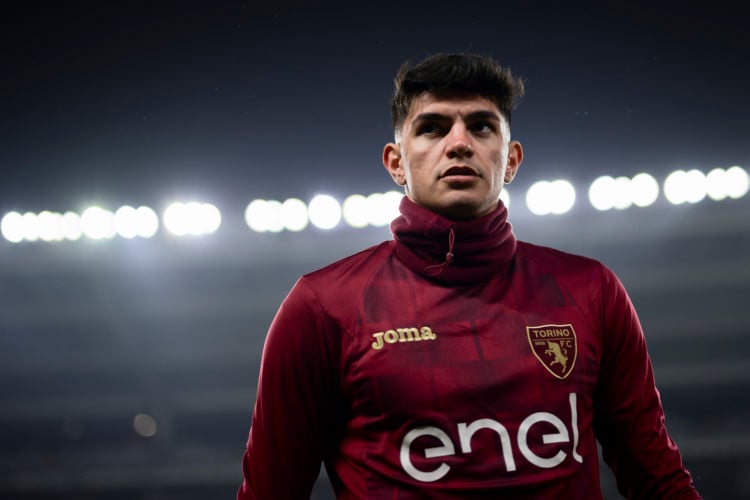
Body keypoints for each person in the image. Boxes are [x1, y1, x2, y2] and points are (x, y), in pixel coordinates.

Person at [237, 53, 700, 499]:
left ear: (512, 160)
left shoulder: (590, 290)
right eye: (432, 128)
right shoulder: (322, 307)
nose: (458, 143)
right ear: (396, 162)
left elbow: (658, 481)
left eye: (481, 126)